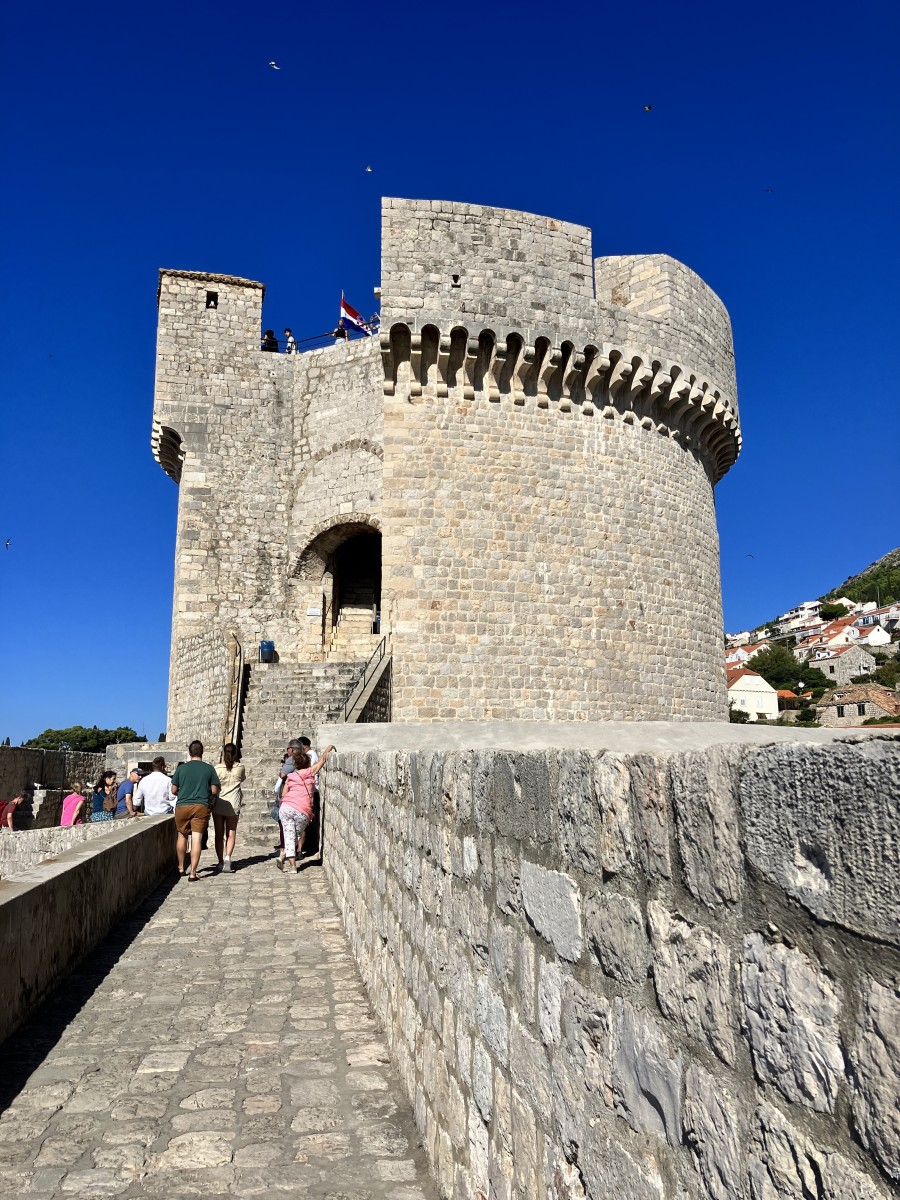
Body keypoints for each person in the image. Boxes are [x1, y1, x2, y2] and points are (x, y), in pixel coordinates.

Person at [277, 744, 334, 873]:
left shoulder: (291, 777)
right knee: (295, 835)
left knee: (289, 835)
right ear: (307, 762)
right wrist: (328, 748)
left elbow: (284, 794)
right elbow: (322, 760)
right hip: (302, 810)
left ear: (295, 764)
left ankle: (290, 862)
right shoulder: (310, 772)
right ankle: (288, 857)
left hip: (286, 808)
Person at [170, 740, 219, 882]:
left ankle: (180, 868)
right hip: (201, 806)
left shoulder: (181, 769)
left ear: (189, 753)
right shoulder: (209, 769)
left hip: (183, 805)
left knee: (181, 835)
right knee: (197, 838)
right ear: (202, 753)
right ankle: (193, 872)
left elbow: (173, 790)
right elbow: (214, 790)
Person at [212, 742, 245, 873]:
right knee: (231, 833)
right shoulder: (240, 767)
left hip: (219, 803)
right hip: (233, 803)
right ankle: (228, 858)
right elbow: (242, 779)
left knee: (219, 833)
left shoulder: (217, 769)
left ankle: (220, 861)